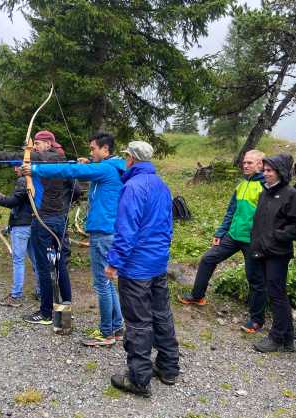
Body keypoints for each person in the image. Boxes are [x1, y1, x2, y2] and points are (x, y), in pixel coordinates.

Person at [0, 130, 78, 325]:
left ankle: (45, 313)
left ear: (48, 144)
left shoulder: (45, 158)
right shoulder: (61, 161)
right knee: (59, 264)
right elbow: (75, 191)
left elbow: (13, 157)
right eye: (34, 144)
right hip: (59, 219)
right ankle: (64, 309)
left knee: (43, 266)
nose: (34, 147)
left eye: (38, 143)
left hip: (43, 219)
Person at [24, 132, 125, 347]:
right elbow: (83, 170)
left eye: (93, 149)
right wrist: (91, 162)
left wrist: (34, 168)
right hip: (106, 231)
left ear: (105, 150)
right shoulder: (113, 166)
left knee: (101, 284)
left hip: (103, 233)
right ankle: (117, 327)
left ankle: (106, 332)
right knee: (107, 283)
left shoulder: (106, 168)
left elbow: (70, 170)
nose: (90, 152)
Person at [105, 141, 179, 398]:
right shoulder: (161, 184)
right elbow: (167, 226)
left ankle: (138, 378)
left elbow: (126, 229)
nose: (125, 160)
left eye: (126, 156)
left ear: (131, 159)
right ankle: (168, 368)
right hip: (157, 262)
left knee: (138, 322)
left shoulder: (133, 187)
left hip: (136, 267)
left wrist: (114, 262)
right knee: (161, 314)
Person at [179, 149, 268, 334]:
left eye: (250, 163)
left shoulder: (266, 187)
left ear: (261, 165)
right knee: (208, 259)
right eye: (244, 162)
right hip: (233, 236)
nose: (245, 165)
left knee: (255, 279)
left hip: (253, 240)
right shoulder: (242, 185)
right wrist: (220, 232)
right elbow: (231, 211)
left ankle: (257, 320)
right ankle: (197, 296)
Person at [250, 154, 296, 353]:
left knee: (277, 294)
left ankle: (277, 337)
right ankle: (288, 338)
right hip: (261, 250)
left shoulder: (291, 195)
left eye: (269, 171)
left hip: (277, 253)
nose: (265, 174)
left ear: (280, 172)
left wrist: (275, 236)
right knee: (276, 293)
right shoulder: (266, 193)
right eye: (264, 170)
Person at [0, 166, 40, 306]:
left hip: (21, 225)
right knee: (36, 260)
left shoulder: (23, 180)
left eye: (17, 166)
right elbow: (19, 199)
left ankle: (16, 295)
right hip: (33, 223)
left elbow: (13, 202)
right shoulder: (36, 178)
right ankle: (41, 292)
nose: (15, 169)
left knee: (18, 260)